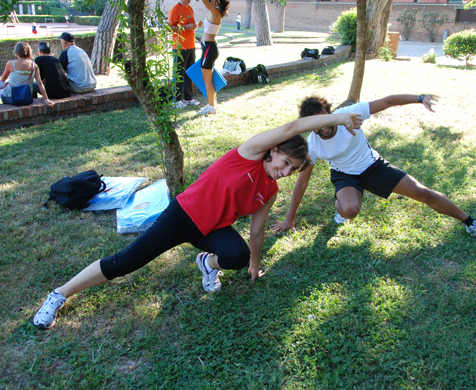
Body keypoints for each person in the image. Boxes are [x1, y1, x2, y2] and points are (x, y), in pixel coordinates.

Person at [33, 111, 363, 329]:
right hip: (182, 216)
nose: (286, 170)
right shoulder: (247, 154)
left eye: (293, 169)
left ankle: (207, 263)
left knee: (237, 255)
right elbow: (293, 128)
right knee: (126, 262)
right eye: (286, 161)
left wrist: (253, 265)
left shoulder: (270, 190)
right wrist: (341, 117)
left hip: (212, 228)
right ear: (274, 150)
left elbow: (258, 229)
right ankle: (60, 294)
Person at [272, 94, 476, 245]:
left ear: (331, 112)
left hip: (373, 166)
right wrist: (290, 218)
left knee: (423, 193)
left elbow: (388, 101)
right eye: (314, 124)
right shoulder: (312, 145)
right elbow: (302, 181)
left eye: (324, 119)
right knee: (349, 210)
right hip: (345, 175)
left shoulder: (351, 113)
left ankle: (471, 223)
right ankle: (340, 205)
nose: (322, 127)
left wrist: (419, 98)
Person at [197, 0, 230, 115]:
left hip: (209, 48)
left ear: (217, 1)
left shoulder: (215, 12)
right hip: (209, 48)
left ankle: (211, 107)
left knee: (207, 79)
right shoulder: (215, 13)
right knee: (208, 79)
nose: (212, 0)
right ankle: (213, 104)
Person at [168, 0, 201, 109]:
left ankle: (188, 98)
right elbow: (170, 27)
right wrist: (187, 27)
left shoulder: (190, 8)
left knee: (189, 73)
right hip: (180, 47)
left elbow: (190, 25)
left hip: (191, 46)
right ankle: (176, 100)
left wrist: (196, 26)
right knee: (178, 73)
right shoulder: (175, 9)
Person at [0, 42, 53, 107]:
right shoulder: (34, 65)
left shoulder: (10, 63)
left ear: (16, 52)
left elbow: (3, 79)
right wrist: (46, 99)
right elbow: (39, 83)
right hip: (26, 98)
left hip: (11, 98)